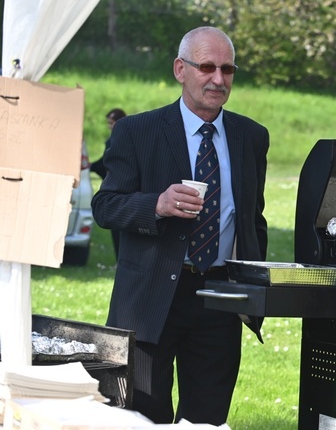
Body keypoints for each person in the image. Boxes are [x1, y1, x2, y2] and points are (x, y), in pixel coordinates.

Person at [91, 26, 269, 425]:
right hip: (150, 299)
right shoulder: (137, 131)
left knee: (207, 420)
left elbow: (252, 219)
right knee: (142, 418)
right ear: (180, 69)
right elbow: (105, 206)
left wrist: (251, 285)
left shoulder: (251, 136)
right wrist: (156, 203)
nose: (219, 79)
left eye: (228, 69)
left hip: (219, 298)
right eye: (207, 67)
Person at [90, 107, 127, 258]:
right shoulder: (113, 140)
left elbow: (107, 163)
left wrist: (90, 167)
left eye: (111, 123)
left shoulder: (121, 139)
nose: (109, 126)